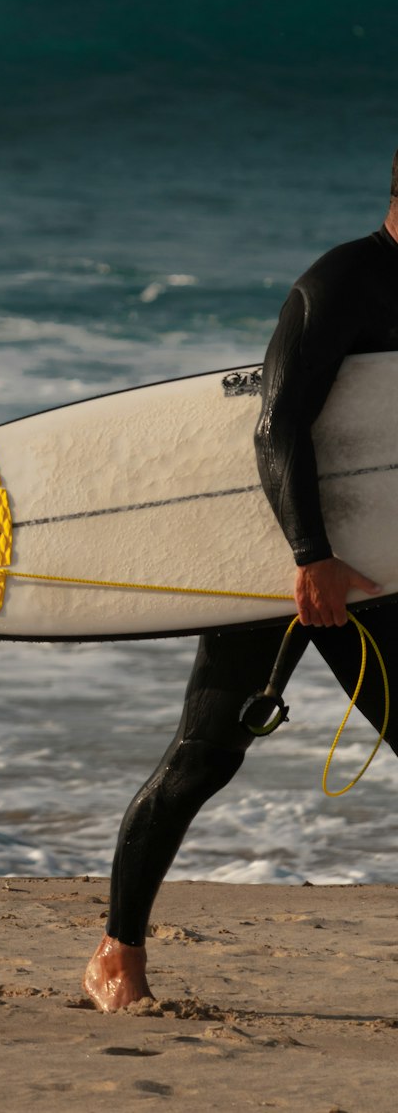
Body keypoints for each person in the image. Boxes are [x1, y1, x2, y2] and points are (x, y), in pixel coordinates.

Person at [83, 151, 398, 1012]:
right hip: (277, 559)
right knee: (205, 757)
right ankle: (119, 948)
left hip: (376, 565)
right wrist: (308, 556)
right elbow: (276, 424)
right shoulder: (343, 284)